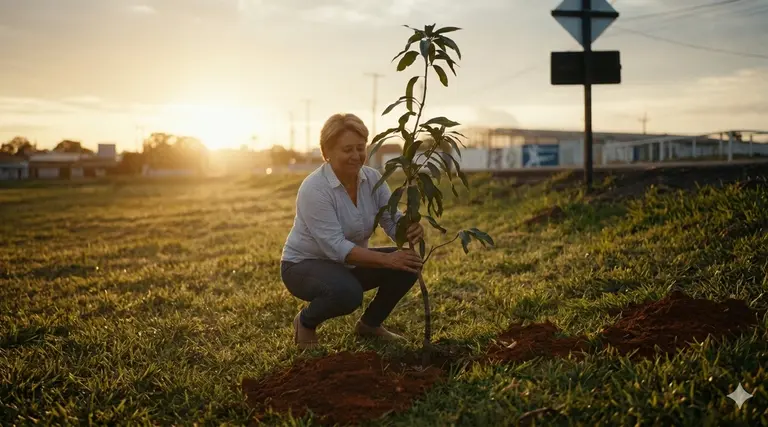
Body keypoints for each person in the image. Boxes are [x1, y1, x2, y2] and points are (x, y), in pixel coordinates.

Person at [280, 113, 425, 350]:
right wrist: (387, 259)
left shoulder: (372, 178)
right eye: (347, 149)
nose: (356, 156)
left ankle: (370, 324)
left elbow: (390, 219)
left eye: (360, 148)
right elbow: (335, 246)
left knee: (409, 264)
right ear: (327, 152)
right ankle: (305, 322)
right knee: (348, 294)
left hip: (346, 264)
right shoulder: (315, 189)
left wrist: (407, 228)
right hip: (303, 266)